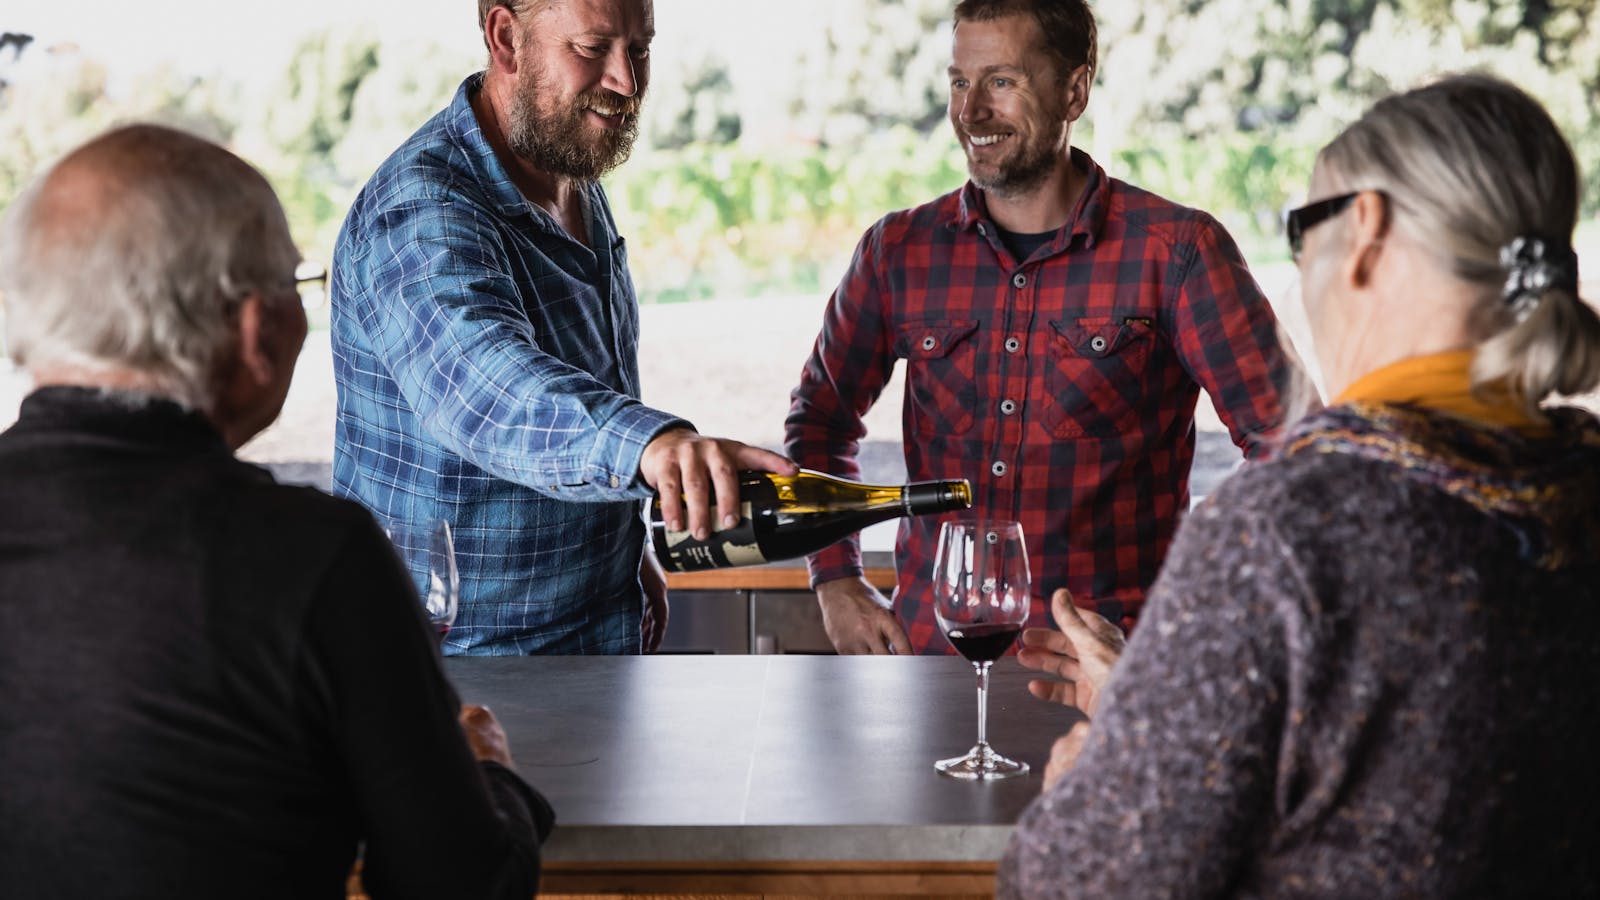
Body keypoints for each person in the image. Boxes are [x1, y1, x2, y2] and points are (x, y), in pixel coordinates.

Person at [1000, 74, 1600, 898]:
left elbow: (1077, 884)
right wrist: (1157, 703)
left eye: (1301, 230)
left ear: (1366, 232)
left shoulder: (1288, 527)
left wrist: (1101, 764)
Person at [0, 124, 554, 899]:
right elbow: (461, 887)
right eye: (298, 287)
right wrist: (490, 775)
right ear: (260, 328)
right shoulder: (315, 559)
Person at [784, 0, 1297, 655]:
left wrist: (1212, 604)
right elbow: (819, 421)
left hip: (1109, 682)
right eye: (960, 83)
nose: (971, 112)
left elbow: (1289, 446)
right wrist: (836, 579)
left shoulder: (1176, 253)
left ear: (1073, 91)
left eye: (1001, 82)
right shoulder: (898, 253)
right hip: (931, 665)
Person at [331, 0, 795, 655]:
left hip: (592, 629)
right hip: (459, 665)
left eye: (640, 49)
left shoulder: (562, 166)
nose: (627, 82)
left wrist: (622, 555)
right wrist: (651, 447)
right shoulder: (421, 210)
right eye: (592, 48)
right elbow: (490, 389)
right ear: (506, 38)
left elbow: (582, 391)